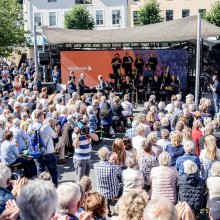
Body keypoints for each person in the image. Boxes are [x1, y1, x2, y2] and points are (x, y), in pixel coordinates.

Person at [30, 110, 58, 186]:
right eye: (43, 116)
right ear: (40, 117)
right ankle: (54, 189)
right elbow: (55, 137)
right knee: (53, 172)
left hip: (37, 153)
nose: (44, 118)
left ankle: (41, 190)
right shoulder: (45, 127)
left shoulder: (31, 126)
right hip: (48, 153)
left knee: (40, 173)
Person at [72, 117, 98, 181]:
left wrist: (88, 132)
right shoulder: (75, 133)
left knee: (86, 179)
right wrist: (77, 135)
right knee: (81, 180)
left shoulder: (89, 130)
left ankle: (85, 190)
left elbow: (97, 138)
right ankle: (81, 190)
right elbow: (76, 145)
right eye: (83, 125)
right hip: (80, 159)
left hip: (88, 157)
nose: (85, 126)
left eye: (85, 124)